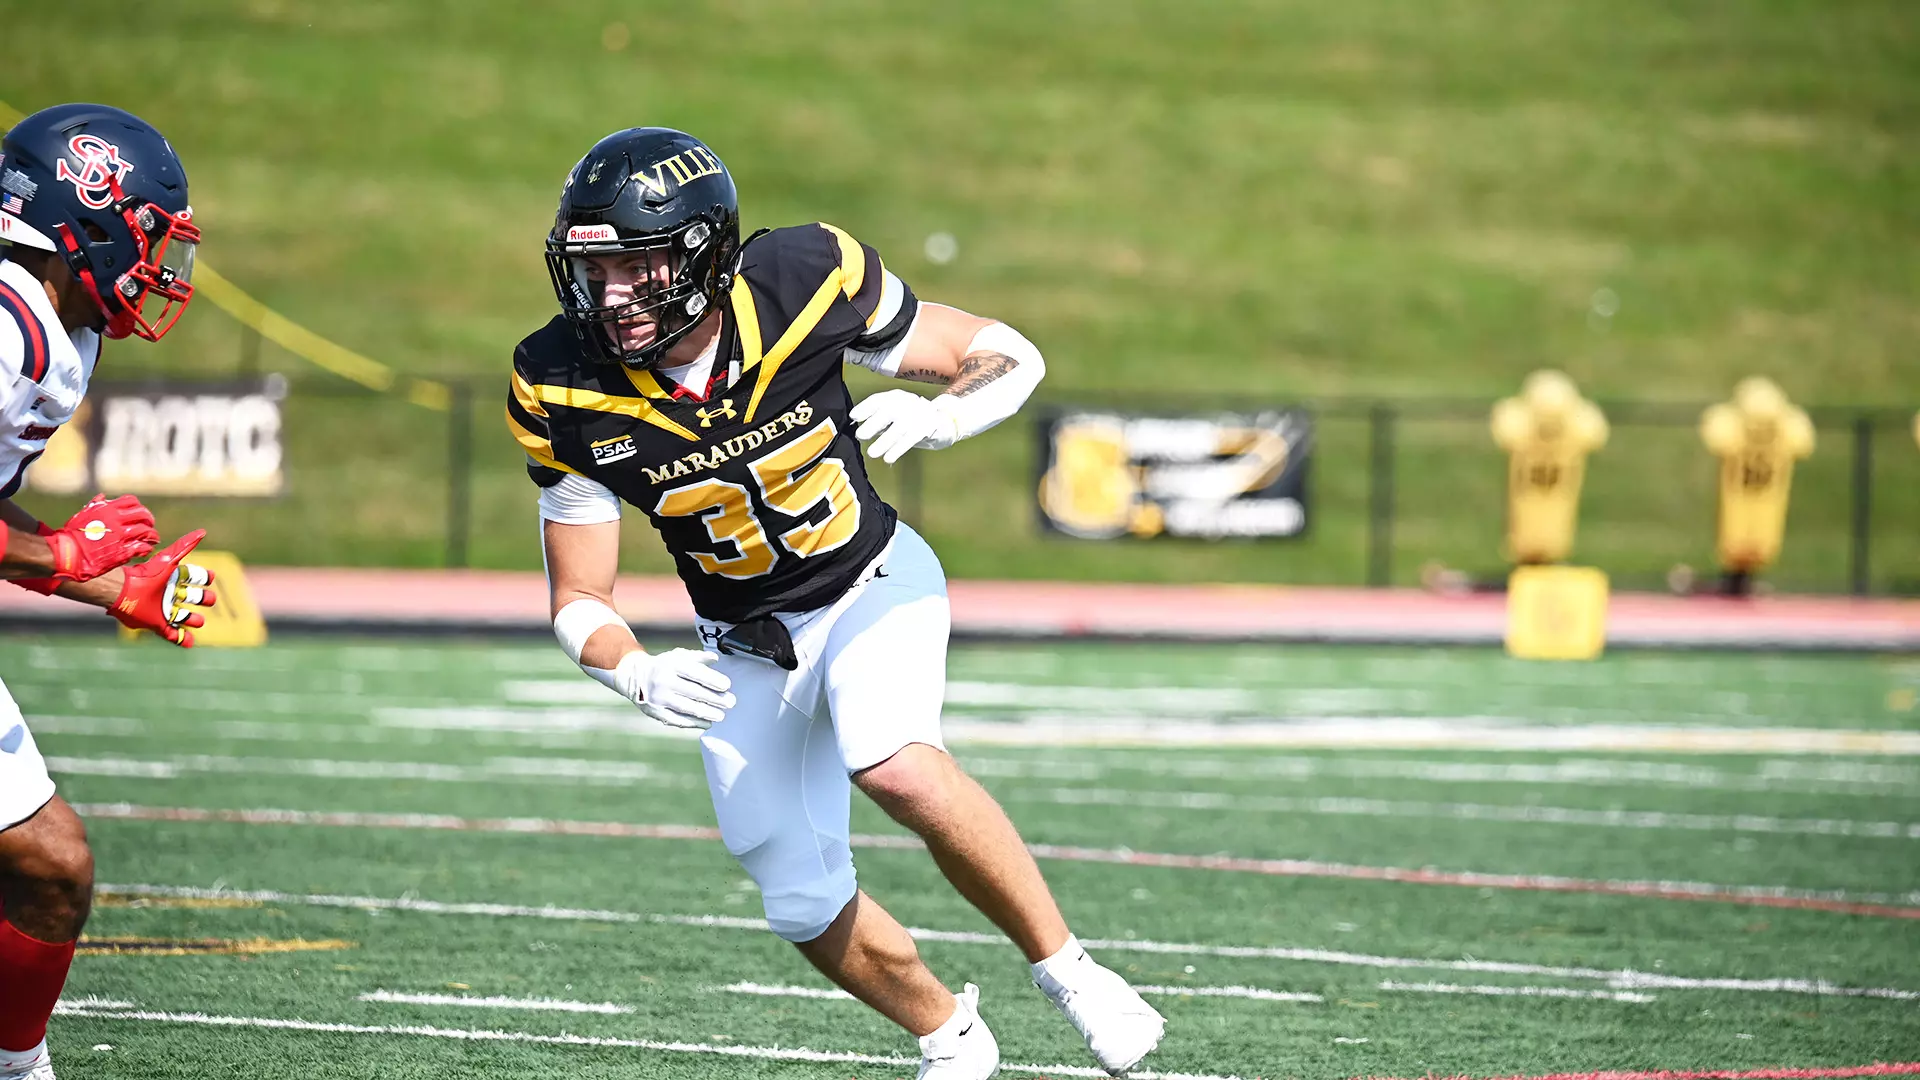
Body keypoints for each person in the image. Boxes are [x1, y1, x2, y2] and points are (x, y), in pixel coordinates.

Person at [513, 127, 1165, 1078]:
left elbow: (1005, 354)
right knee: (794, 891)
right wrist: (634, 671)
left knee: (893, 762)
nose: (609, 295)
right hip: (745, 641)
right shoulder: (556, 378)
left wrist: (945, 413)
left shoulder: (801, 275)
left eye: (635, 267)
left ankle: (1072, 973)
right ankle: (950, 1036)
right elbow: (579, 595)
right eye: (592, 269)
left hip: (872, 582)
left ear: (699, 254)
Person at [0, 103, 217, 1080]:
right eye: (145, 241)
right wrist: (63, 559)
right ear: (81, 225)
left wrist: (113, 582)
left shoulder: (57, 326)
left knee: (53, 866)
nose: (156, 271)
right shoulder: (12, 322)